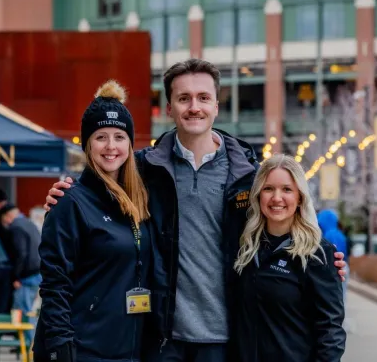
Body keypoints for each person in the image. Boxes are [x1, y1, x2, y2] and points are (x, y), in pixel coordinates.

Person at [45, 59, 346, 362]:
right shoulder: (143, 169)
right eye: (183, 98)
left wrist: (323, 263)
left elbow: (281, 224)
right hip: (161, 340)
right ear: (169, 108)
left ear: (216, 105)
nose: (194, 107)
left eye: (203, 98)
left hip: (228, 340)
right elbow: (100, 187)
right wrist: (66, 195)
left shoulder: (249, 176)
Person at [33, 80, 166, 362]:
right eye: (100, 137)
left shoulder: (140, 200)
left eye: (119, 137)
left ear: (130, 144)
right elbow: (55, 284)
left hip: (129, 348)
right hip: (85, 348)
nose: (110, 146)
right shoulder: (70, 203)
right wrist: (60, 347)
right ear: (88, 144)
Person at [232, 154, 346, 361]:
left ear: (300, 197)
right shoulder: (244, 249)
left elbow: (330, 329)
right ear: (258, 195)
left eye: (287, 189)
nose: (277, 198)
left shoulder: (317, 253)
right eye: (268, 189)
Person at [0, 203, 41, 343]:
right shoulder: (30, 224)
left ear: (7, 216)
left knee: (23, 311)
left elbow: (20, 254)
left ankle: (29, 347)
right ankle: (25, 345)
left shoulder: (16, 227)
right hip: (37, 273)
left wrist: (16, 276)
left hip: (26, 276)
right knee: (28, 310)